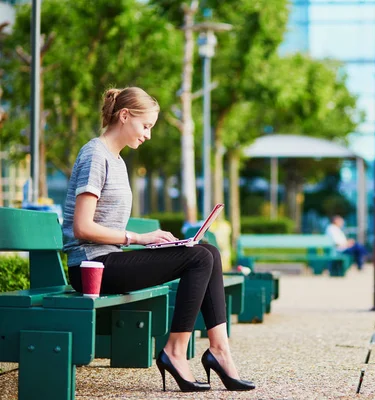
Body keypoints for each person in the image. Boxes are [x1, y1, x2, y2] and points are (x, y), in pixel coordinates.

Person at [62, 87, 254, 393]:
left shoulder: (116, 159)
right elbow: (82, 228)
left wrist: (155, 244)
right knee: (200, 257)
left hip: (107, 261)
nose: (148, 135)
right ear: (124, 116)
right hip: (91, 268)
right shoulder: (95, 155)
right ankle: (175, 352)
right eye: (146, 126)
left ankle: (220, 351)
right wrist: (139, 237)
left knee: (208, 252)